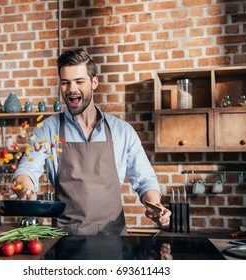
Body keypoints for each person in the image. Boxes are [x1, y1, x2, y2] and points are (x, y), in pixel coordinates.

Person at [13, 48, 171, 235]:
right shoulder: (48, 130)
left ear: (94, 82)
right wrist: (26, 192)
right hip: (66, 241)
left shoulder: (122, 131)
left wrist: (154, 205)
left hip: (113, 240)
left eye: (79, 81)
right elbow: (26, 171)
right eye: (65, 83)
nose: (72, 89)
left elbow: (145, 180)